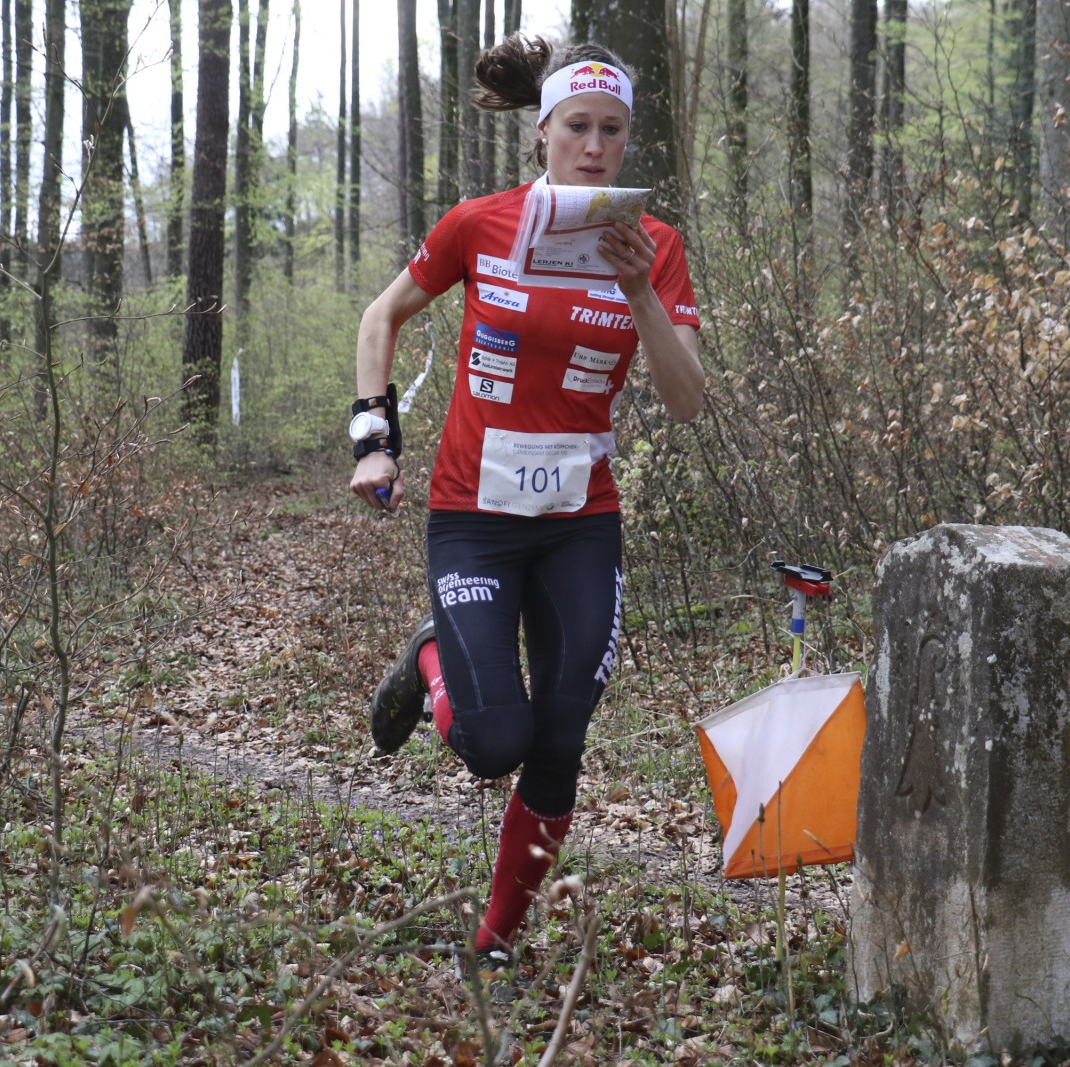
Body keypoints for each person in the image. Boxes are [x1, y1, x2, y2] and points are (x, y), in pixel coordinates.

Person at [347, 34, 704, 963]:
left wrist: (640, 292)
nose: (595, 146)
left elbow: (687, 399)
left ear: (628, 140)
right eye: (577, 126)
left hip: (580, 525)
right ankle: (431, 657)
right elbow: (381, 316)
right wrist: (375, 444)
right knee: (493, 742)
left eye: (613, 130)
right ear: (542, 131)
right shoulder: (481, 223)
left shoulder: (656, 248)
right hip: (474, 519)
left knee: (559, 739)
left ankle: (495, 941)